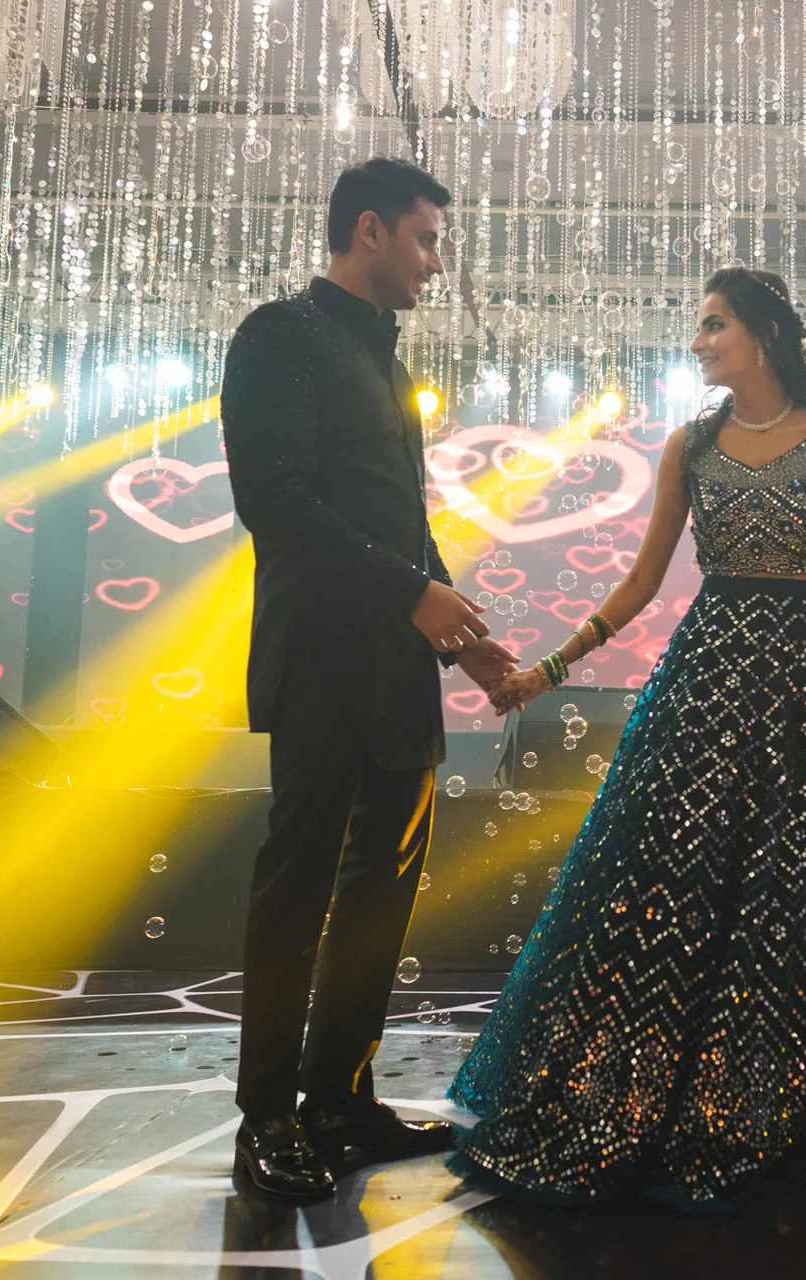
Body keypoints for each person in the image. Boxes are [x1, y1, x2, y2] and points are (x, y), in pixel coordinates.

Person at [445, 267, 806, 1209]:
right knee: (673, 889)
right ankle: (689, 1096)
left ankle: (796, 1096)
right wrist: (547, 673)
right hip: (707, 688)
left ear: (763, 332)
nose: (698, 341)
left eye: (714, 325)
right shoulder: (689, 447)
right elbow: (638, 587)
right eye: (698, 327)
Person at [221, 157, 518, 1202]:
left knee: (380, 893)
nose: (439, 263)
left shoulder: (388, 367)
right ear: (370, 231)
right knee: (298, 883)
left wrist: (463, 636)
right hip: (317, 655)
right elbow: (277, 500)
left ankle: (338, 1099)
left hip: (397, 662)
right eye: (429, 240)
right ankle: (264, 1120)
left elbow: (402, 526)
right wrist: (411, 594)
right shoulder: (277, 336)